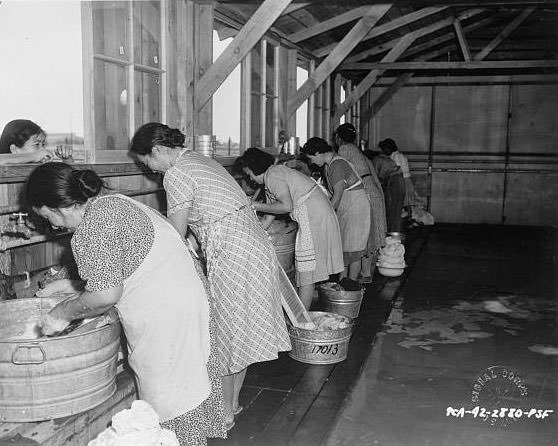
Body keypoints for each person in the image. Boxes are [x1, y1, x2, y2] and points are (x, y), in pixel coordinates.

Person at [26, 163, 226, 446]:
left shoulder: (91, 229)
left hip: (167, 317)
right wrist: (68, 288)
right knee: (189, 388)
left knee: (171, 401)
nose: (53, 226)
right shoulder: (111, 203)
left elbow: (106, 295)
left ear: (58, 206)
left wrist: (61, 312)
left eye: (47, 218)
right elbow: (121, 267)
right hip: (189, 299)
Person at [129, 123, 291, 429]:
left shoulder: (176, 173)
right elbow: (202, 216)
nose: (149, 169)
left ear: (158, 151)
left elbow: (175, 234)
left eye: (147, 161)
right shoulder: (199, 159)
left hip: (233, 251)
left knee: (226, 334)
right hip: (252, 245)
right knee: (239, 331)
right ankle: (232, 404)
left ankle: (224, 415)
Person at [236, 147, 344, 309]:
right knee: (308, 268)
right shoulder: (273, 175)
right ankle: (303, 313)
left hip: (313, 215)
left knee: (307, 270)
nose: (249, 178)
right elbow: (268, 217)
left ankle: (302, 319)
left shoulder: (273, 176)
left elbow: (286, 206)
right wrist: (253, 230)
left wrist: (256, 205)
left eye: (249, 173)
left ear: (255, 168)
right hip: (316, 213)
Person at [301, 137, 371, 283]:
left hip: (356, 207)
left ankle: (350, 285)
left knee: (353, 249)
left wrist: (326, 215)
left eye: (311, 158)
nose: (311, 162)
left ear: (319, 153)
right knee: (346, 247)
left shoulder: (336, 165)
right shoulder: (331, 164)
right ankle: (343, 280)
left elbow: (338, 194)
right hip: (350, 206)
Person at [334, 123, 387, 283]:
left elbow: (338, 173)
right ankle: (365, 273)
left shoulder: (344, 149)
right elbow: (375, 179)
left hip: (364, 191)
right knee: (368, 234)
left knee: (360, 236)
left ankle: (353, 278)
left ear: (338, 138)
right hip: (373, 190)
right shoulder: (359, 152)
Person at [373, 139, 406, 233]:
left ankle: (392, 234)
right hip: (398, 182)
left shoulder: (381, 160)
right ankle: (393, 233)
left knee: (393, 210)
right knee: (395, 210)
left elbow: (380, 176)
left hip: (395, 182)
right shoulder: (387, 159)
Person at [385, 138, 416, 214]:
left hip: (402, 180)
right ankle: (408, 217)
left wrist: (387, 175)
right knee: (406, 202)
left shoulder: (396, 156)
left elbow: (397, 169)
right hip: (405, 179)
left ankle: (407, 218)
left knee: (404, 201)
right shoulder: (397, 155)